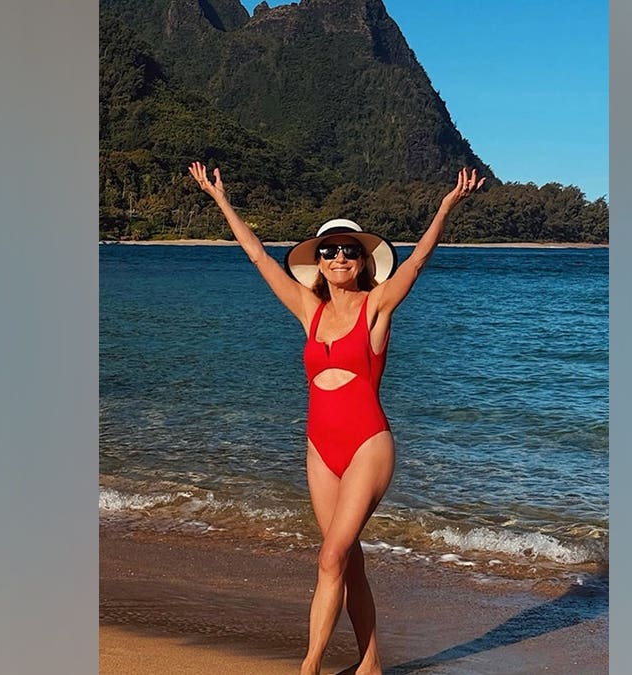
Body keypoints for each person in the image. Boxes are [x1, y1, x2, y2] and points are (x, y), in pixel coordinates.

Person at [188, 161, 484, 675]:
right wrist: (220, 200)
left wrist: (445, 207)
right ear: (319, 263)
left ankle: (309, 668)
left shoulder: (377, 306)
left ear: (364, 260)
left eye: (349, 249)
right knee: (346, 560)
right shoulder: (310, 309)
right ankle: (369, 665)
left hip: (368, 443)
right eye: (329, 251)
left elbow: (415, 263)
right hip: (319, 447)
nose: (339, 256)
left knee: (329, 559)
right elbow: (259, 258)